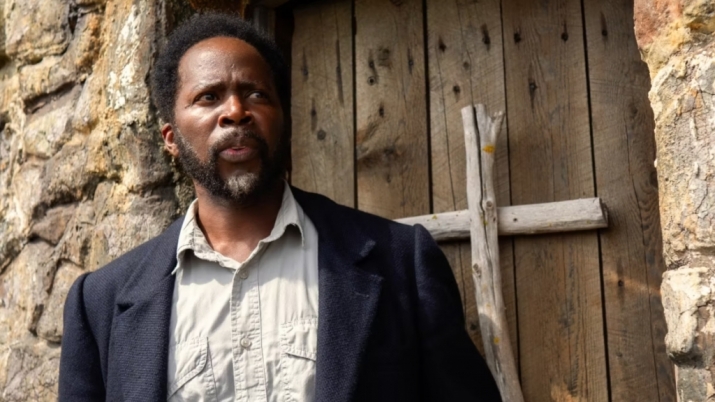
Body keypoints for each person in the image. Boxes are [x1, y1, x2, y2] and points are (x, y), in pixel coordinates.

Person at [58, 12, 501, 402]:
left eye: (256, 94)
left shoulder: (401, 262)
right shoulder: (101, 302)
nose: (235, 111)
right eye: (209, 97)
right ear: (171, 139)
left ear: (282, 121)